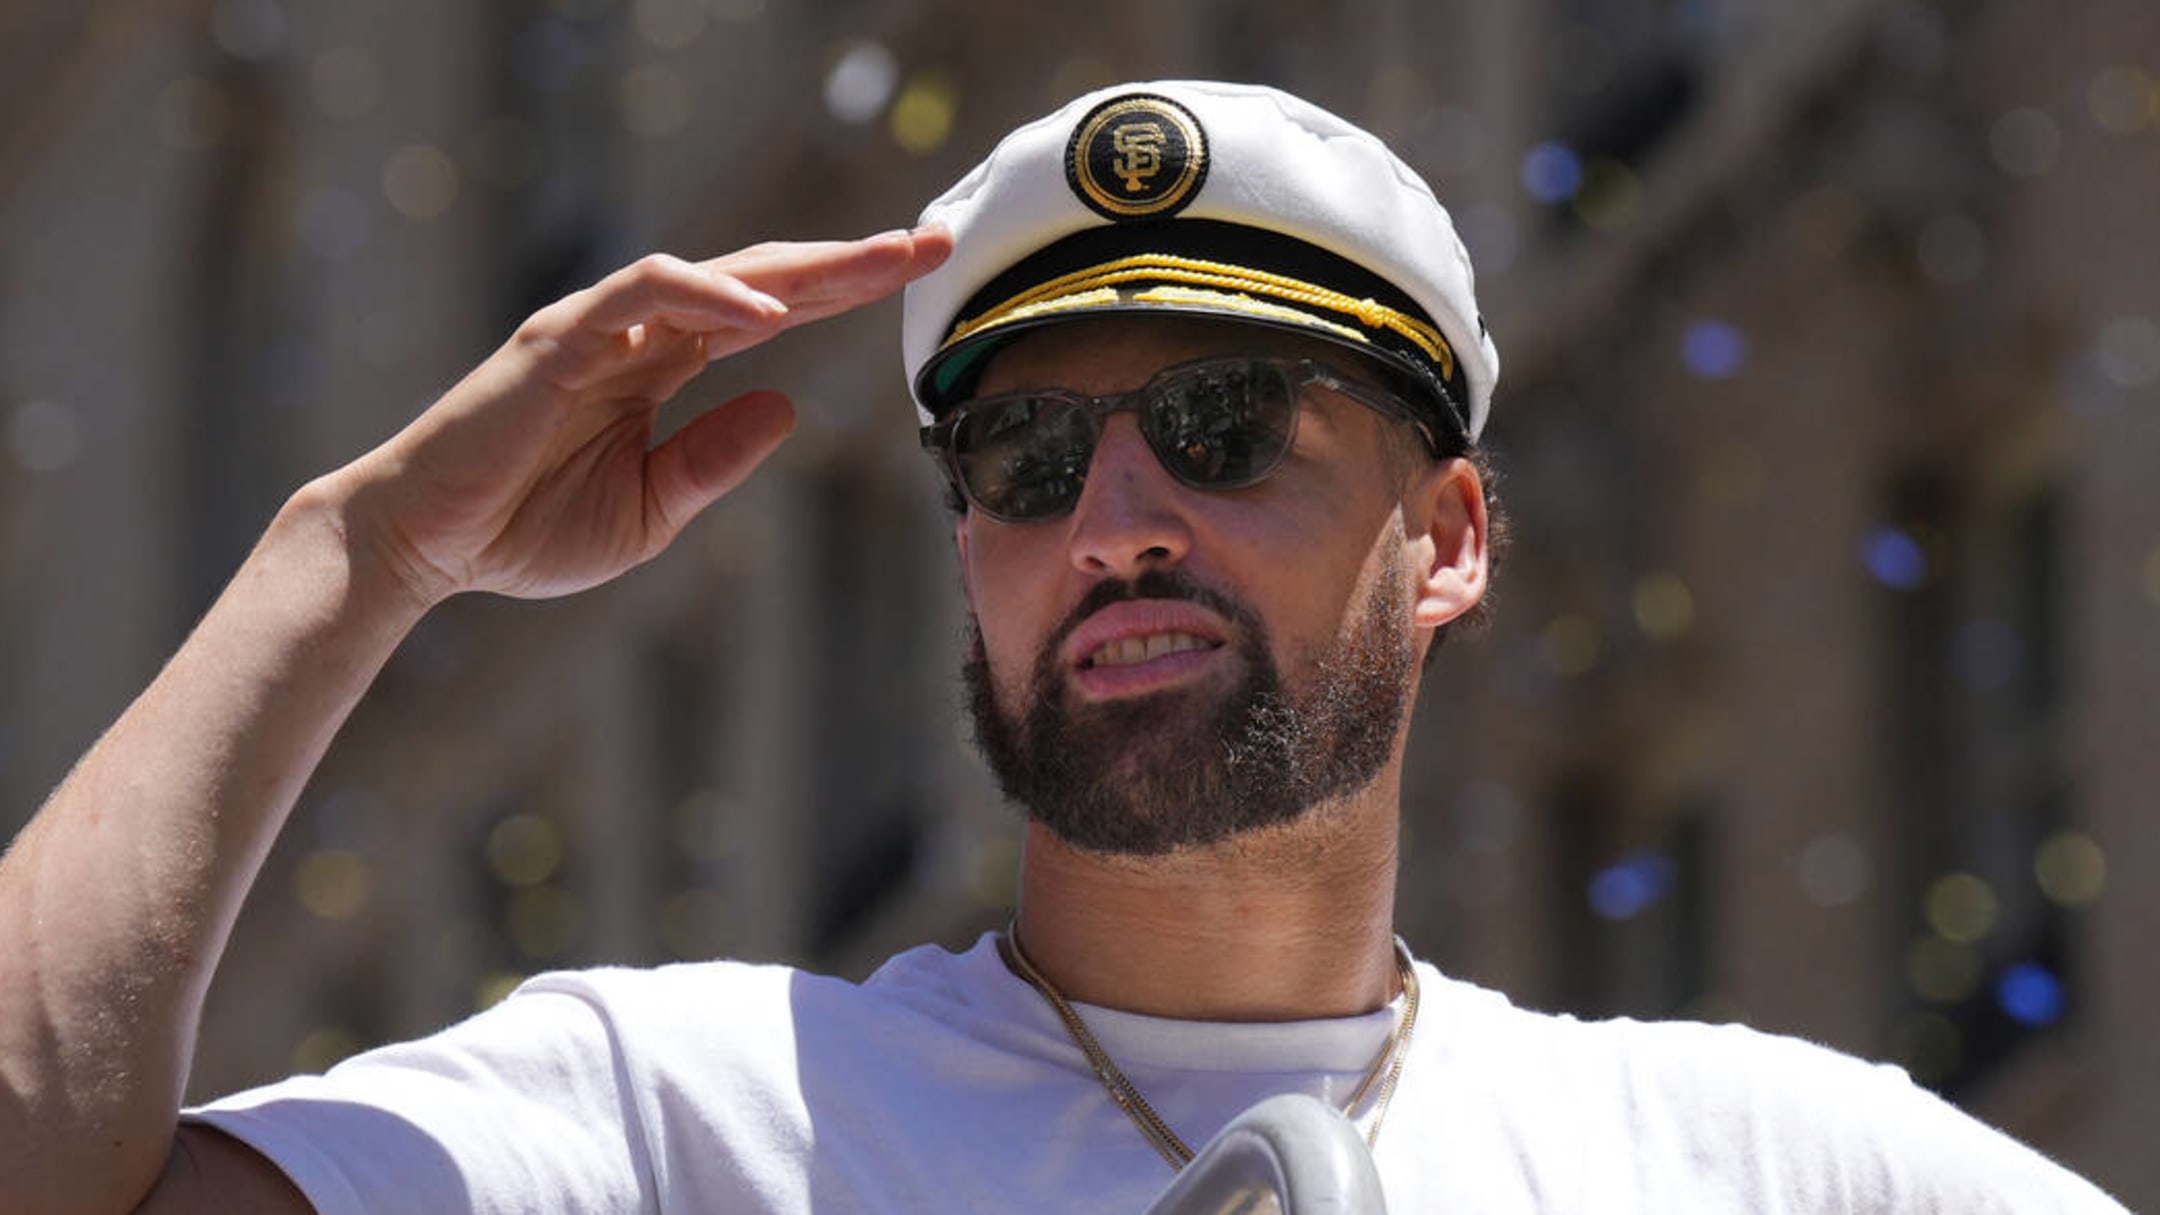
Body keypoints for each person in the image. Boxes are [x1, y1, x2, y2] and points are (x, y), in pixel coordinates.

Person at [0, 80, 2127, 1215]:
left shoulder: (1758, 1163)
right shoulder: (683, 1119)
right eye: (1025, 459)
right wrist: (353, 550)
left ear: (1451, 535)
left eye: (1219, 432)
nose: (1115, 525)